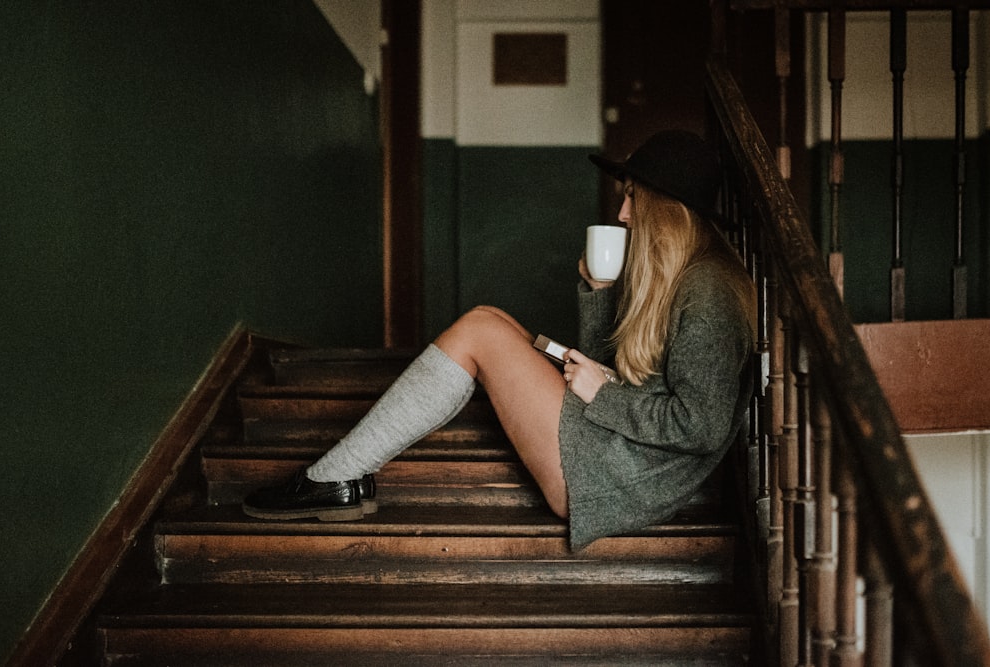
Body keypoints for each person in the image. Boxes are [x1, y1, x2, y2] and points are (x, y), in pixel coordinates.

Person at [243, 129, 757, 550]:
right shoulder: (689, 279)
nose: (623, 213)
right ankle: (339, 479)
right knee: (493, 318)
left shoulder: (708, 292)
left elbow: (702, 424)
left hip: (618, 477)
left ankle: (334, 477)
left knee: (480, 332)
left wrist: (602, 393)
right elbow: (615, 367)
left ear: (665, 209)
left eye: (632, 197)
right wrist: (601, 294)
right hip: (620, 461)